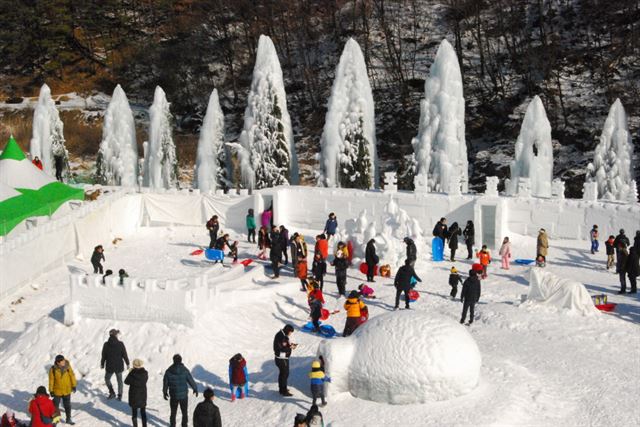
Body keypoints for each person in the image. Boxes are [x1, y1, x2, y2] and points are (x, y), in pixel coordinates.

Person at [162, 354, 198, 427]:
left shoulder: (168, 371)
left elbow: (165, 383)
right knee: (184, 412)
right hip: (183, 396)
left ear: (173, 360)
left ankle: (172, 425)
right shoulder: (184, 370)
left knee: (173, 412)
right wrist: (195, 388)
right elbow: (190, 380)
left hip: (174, 395)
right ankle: (184, 425)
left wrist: (165, 392)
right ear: (181, 360)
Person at [101, 328, 130, 400]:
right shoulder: (120, 344)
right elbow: (124, 355)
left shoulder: (106, 344)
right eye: (116, 334)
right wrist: (127, 363)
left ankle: (112, 392)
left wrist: (102, 364)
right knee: (119, 381)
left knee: (107, 379)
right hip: (119, 366)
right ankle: (120, 395)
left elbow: (103, 355)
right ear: (115, 335)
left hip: (110, 366)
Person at [48, 355, 77, 425]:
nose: (64, 361)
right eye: (62, 361)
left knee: (67, 405)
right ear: (58, 362)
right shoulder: (53, 369)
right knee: (55, 406)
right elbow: (51, 380)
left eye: (64, 360)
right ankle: (55, 419)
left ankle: (68, 419)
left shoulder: (68, 366)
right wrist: (51, 390)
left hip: (67, 390)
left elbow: (72, 375)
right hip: (57, 391)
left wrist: (74, 385)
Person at [273, 324, 297, 396]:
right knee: (285, 374)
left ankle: (282, 389)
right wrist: (291, 347)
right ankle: (283, 391)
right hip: (282, 359)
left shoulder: (282, 335)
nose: (290, 334)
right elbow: (281, 348)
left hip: (282, 358)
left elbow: (284, 345)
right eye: (290, 332)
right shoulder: (282, 337)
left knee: (282, 374)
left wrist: (290, 345)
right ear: (287, 330)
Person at [124, 359, 148, 427]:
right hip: (143, 396)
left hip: (134, 397)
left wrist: (131, 372)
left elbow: (126, 382)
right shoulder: (145, 373)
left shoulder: (132, 374)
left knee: (134, 414)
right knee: (143, 413)